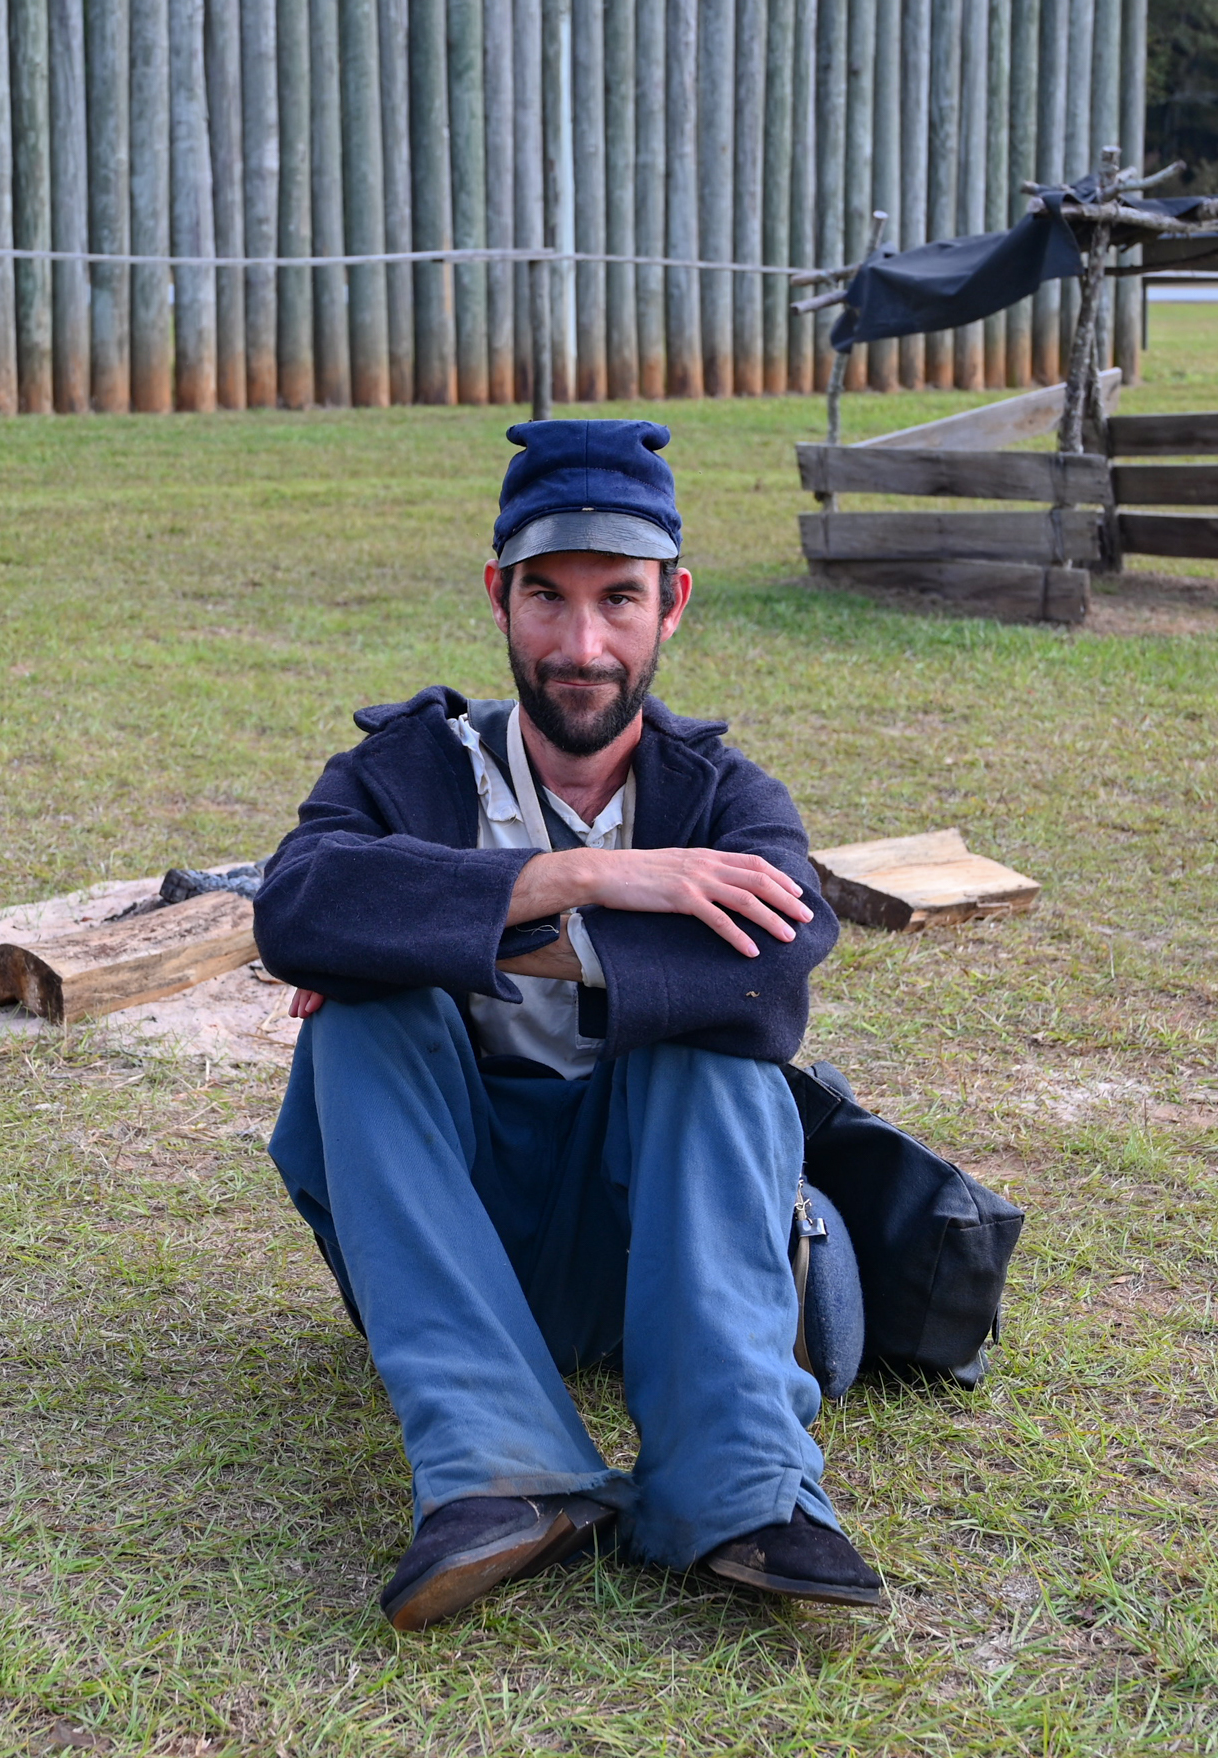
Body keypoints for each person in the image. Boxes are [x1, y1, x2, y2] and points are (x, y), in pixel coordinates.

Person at [255, 419, 885, 1631]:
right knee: (356, 1028)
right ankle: (502, 1478)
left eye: (618, 601)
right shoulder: (407, 770)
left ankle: (737, 1491)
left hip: (663, 1253)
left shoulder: (724, 797)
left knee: (714, 1059)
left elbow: (763, 981)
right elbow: (298, 908)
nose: (580, 645)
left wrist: (435, 930)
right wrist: (582, 880)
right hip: (450, 1256)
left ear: (672, 606)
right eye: (546, 598)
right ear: (498, 596)